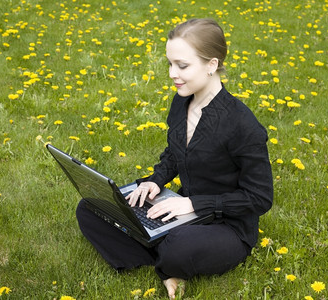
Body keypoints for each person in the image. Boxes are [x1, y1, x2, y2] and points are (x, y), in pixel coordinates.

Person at [76, 18, 273, 299]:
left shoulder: (243, 125)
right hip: (180, 212)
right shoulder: (182, 100)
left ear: (211, 65)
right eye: (170, 64)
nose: (172, 73)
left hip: (227, 226)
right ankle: (158, 243)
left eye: (182, 66)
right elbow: (174, 151)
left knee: (178, 245)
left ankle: (163, 255)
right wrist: (155, 181)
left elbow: (259, 198)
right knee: (91, 207)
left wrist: (192, 204)